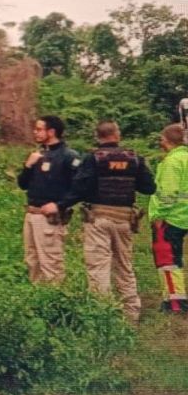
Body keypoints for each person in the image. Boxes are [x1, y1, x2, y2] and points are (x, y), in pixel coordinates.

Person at [49, 121, 154, 322]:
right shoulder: (134, 158)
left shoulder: (92, 159)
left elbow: (79, 188)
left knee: (98, 267)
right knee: (124, 266)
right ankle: (131, 314)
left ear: (97, 137)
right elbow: (149, 188)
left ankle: (102, 317)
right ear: (117, 135)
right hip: (124, 220)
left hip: (98, 219)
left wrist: (60, 205)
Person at [17, 115, 80, 284]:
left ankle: (55, 301)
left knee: (51, 263)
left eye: (39, 129)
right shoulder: (38, 155)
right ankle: (38, 301)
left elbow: (79, 188)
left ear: (51, 132)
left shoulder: (68, 156)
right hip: (31, 213)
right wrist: (28, 165)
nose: (35, 132)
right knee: (32, 260)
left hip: (49, 218)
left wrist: (60, 205)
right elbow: (22, 184)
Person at [151, 123, 188, 313]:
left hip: (170, 218)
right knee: (175, 257)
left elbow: (168, 193)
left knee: (168, 260)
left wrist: (159, 215)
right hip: (183, 215)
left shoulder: (172, 162)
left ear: (167, 140)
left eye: (162, 138)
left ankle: (175, 302)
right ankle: (176, 298)